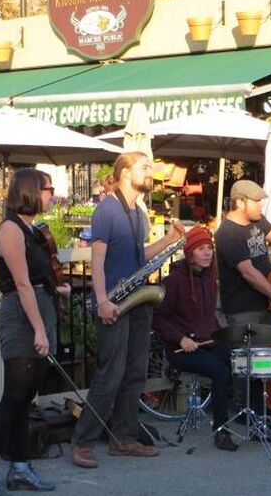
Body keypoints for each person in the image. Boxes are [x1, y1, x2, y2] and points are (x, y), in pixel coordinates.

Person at [71, 151, 184, 468]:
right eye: (144, 167)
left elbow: (140, 255)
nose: (150, 172)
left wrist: (170, 241)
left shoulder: (140, 213)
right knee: (111, 374)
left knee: (135, 373)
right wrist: (102, 300)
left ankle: (124, 438)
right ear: (123, 173)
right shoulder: (107, 209)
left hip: (137, 299)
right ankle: (82, 442)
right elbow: (96, 260)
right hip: (114, 301)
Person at [0, 168, 68, 495]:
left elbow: (37, 280)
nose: (52, 194)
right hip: (21, 316)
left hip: (37, 308)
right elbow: (20, 283)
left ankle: (19, 466)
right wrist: (39, 329)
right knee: (13, 398)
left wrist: (57, 291)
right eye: (48, 188)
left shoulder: (31, 231)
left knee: (24, 399)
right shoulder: (11, 229)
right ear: (30, 191)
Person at [214, 180, 271, 415]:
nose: (260, 207)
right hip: (242, 307)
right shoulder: (227, 232)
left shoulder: (257, 221)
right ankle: (244, 413)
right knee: (247, 364)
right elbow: (248, 272)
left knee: (265, 363)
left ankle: (265, 411)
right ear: (240, 202)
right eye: (256, 202)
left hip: (265, 303)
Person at [152, 226, 238, 451]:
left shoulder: (210, 278)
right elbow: (159, 319)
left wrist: (224, 336)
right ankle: (221, 432)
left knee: (239, 360)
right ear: (190, 253)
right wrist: (180, 339)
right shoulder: (174, 281)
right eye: (201, 248)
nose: (208, 253)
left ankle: (253, 417)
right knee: (220, 372)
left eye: (209, 248)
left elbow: (208, 319)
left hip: (207, 343)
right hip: (180, 349)